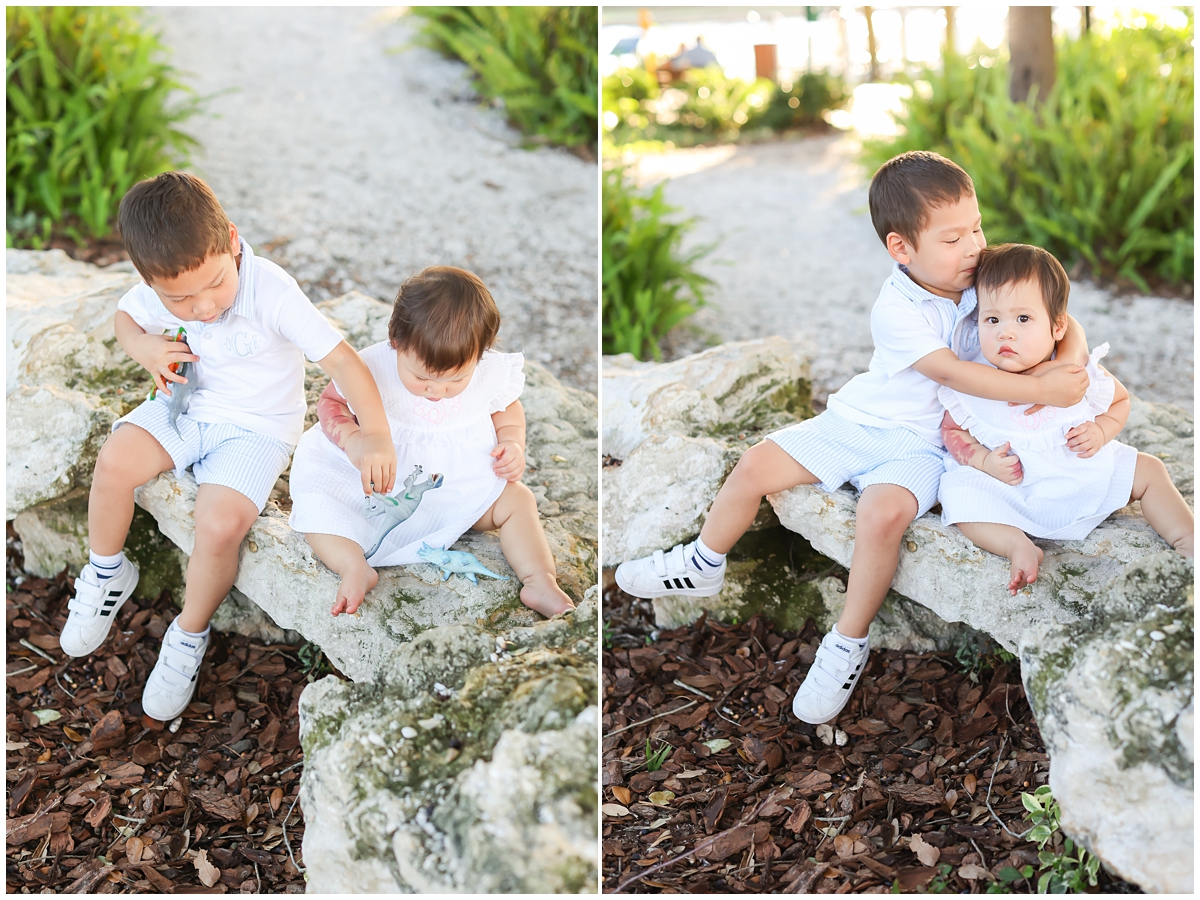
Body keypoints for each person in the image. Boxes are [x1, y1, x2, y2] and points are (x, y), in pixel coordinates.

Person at [616, 151, 1092, 725]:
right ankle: (704, 558)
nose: (972, 246)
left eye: (977, 227)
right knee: (754, 466)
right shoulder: (896, 307)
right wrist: (1041, 386)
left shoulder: (984, 272)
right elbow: (949, 372)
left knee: (882, 517)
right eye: (952, 238)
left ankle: (846, 641)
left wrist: (1072, 361)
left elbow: (1058, 309)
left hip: (925, 444)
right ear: (901, 249)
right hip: (857, 423)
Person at [57, 172, 396, 721]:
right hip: (189, 406)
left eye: (214, 284)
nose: (202, 306)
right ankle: (106, 571)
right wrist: (145, 345)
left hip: (257, 428)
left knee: (219, 525)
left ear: (232, 241)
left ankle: (189, 633)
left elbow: (341, 361)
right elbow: (127, 317)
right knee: (115, 459)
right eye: (179, 299)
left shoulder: (273, 291)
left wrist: (377, 433)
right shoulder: (163, 286)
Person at [288, 266, 576, 619]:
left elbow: (506, 409)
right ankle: (353, 566)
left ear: (481, 354)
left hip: (457, 480)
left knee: (518, 500)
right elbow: (331, 403)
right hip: (380, 484)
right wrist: (354, 440)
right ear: (397, 341)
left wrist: (513, 443)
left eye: (456, 380)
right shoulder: (374, 366)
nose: (436, 391)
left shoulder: (486, 372)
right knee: (319, 509)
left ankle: (539, 580)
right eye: (422, 377)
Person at [939, 243, 1194, 592]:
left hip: (1078, 474)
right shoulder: (977, 380)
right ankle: (1017, 545)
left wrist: (1101, 432)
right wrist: (983, 460)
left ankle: (1187, 538)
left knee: (1149, 470)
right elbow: (951, 429)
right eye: (992, 319)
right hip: (1015, 490)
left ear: (1058, 327)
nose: (1005, 332)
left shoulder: (1073, 373)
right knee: (956, 491)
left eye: (1023, 319)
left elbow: (1119, 401)